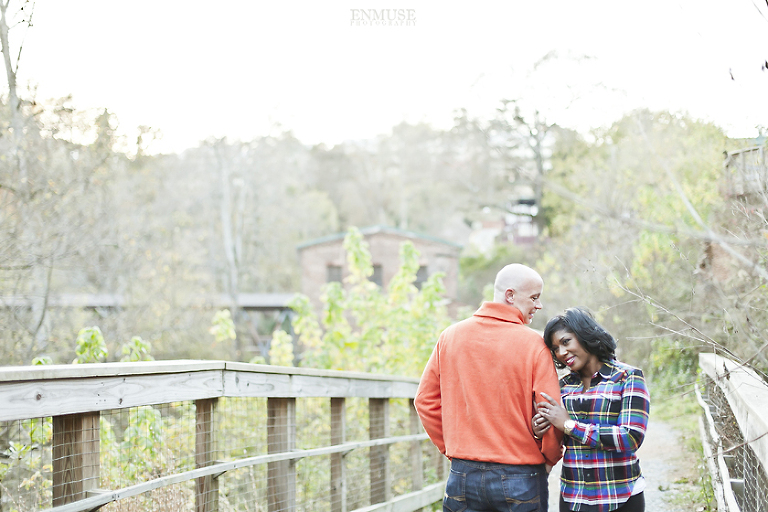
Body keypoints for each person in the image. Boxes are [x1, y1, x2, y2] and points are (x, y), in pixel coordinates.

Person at [415, 263, 564, 512]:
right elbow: (550, 409)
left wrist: (451, 447)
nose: (538, 305)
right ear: (510, 295)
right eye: (534, 298)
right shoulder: (534, 344)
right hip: (521, 475)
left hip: (463, 474)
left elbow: (424, 401)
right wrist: (549, 457)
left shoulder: (450, 337)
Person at [533, 307, 650, 512]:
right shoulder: (562, 386)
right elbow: (555, 439)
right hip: (574, 497)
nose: (561, 353)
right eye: (555, 349)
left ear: (585, 335)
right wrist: (540, 430)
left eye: (566, 342)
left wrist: (570, 425)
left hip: (621, 496)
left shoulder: (628, 377)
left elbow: (631, 437)